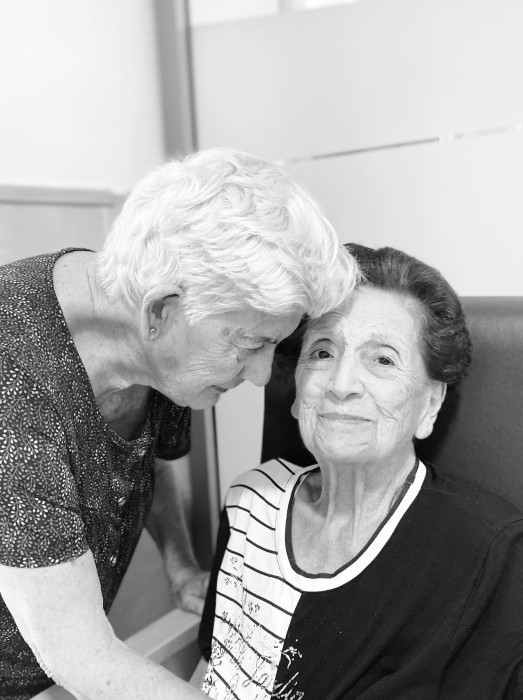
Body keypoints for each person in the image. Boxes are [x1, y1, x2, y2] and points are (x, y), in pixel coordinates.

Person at [0, 148, 358, 699]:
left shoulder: (145, 323)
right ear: (159, 312)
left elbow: (140, 454)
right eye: (250, 344)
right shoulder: (14, 381)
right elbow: (80, 653)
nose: (263, 375)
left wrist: (180, 563)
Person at [196, 245, 523, 699]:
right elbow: (210, 666)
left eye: (383, 359)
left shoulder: (487, 547)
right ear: (296, 388)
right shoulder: (250, 500)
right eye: (323, 353)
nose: (342, 385)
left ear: (430, 404)